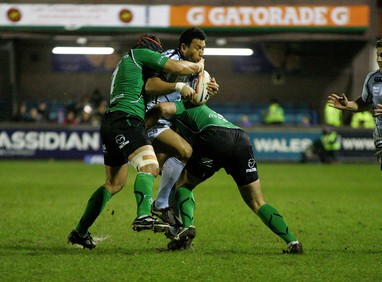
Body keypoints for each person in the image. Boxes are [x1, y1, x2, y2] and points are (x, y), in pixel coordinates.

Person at [67, 34, 205, 250]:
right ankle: (144, 214)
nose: (157, 58)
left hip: (111, 121)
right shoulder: (140, 54)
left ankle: (80, 232)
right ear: (151, 49)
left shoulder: (126, 62)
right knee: (149, 166)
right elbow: (176, 67)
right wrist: (195, 70)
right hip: (127, 118)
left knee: (114, 184)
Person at [145, 101, 303, 254]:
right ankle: (292, 242)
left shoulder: (178, 106)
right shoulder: (201, 108)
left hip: (215, 136)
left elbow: (163, 111)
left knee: (183, 185)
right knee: (257, 201)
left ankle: (188, 227)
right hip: (241, 137)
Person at [328, 37, 382, 245]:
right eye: (377, 55)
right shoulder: (373, 78)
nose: (379, 59)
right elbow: (364, 103)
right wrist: (349, 104)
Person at [144, 27, 219, 226]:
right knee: (184, 152)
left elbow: (194, 99)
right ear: (184, 47)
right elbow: (150, 86)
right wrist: (177, 86)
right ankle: (159, 205)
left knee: (157, 170)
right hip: (153, 116)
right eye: (197, 48)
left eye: (204, 48)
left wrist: (207, 92)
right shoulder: (168, 58)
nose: (201, 53)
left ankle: (168, 224)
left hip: (172, 122)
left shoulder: (197, 69)